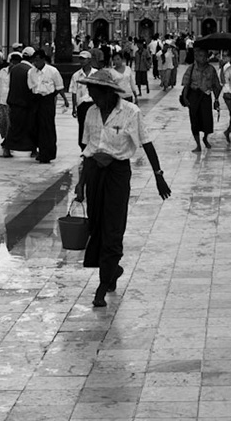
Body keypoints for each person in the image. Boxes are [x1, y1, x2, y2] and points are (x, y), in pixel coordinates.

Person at [73, 67, 172, 308]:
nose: (92, 96)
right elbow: (87, 150)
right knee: (97, 225)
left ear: (108, 92)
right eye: (90, 92)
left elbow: (146, 143)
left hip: (117, 173)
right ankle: (112, 270)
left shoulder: (130, 112)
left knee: (113, 227)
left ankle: (102, 286)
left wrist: (158, 175)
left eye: (95, 92)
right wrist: (81, 183)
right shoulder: (91, 112)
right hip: (95, 172)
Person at [180, 46, 220, 151]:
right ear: (196, 57)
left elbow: (216, 85)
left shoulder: (211, 69)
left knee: (207, 120)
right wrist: (185, 97)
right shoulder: (191, 68)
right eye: (200, 56)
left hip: (205, 96)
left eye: (205, 56)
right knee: (194, 120)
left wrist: (216, 99)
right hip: (194, 95)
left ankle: (205, 138)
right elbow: (186, 84)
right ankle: (198, 144)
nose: (203, 58)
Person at [30, 49, 64, 163]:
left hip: (48, 99)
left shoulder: (52, 71)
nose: (36, 63)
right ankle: (39, 150)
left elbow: (59, 87)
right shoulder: (31, 72)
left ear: (43, 60)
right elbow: (31, 87)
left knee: (47, 127)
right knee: (36, 126)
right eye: (35, 60)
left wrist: (54, 97)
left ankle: (48, 153)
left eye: (38, 60)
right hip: (36, 99)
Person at [2, 48, 36, 158]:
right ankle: (33, 149)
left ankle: (7, 148)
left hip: (13, 101)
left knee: (13, 127)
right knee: (30, 127)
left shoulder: (14, 68)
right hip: (25, 103)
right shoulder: (30, 70)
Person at [68, 51, 96, 149]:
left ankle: (93, 146)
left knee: (93, 126)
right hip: (82, 105)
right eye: (81, 59)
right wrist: (74, 107)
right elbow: (73, 91)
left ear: (89, 60)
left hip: (93, 104)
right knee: (82, 127)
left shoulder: (96, 74)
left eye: (84, 59)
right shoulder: (76, 75)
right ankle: (83, 147)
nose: (82, 61)